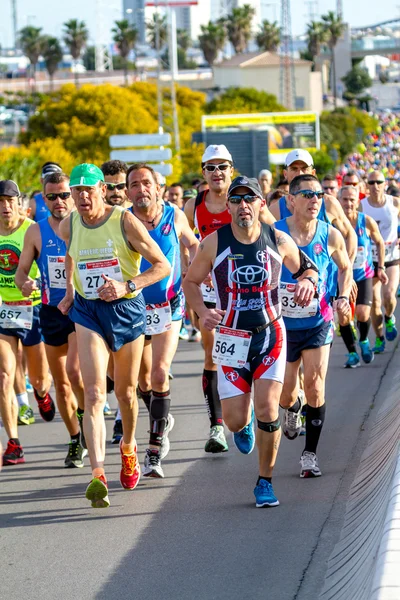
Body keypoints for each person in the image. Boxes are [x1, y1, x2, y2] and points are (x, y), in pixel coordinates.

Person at [183, 176, 316, 507]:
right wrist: (202, 310)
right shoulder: (213, 242)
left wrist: (308, 284)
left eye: (249, 199)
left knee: (268, 408)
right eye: (236, 200)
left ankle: (264, 482)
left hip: (270, 332)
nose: (243, 205)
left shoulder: (277, 238)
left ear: (260, 204)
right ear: (228, 207)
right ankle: (242, 427)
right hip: (231, 337)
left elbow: (308, 270)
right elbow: (191, 282)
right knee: (235, 420)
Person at [58, 163, 170, 508]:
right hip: (89, 311)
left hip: (126, 310)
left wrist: (126, 285)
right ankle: (97, 474)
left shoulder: (123, 220)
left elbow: (161, 265)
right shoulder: (70, 222)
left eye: (88, 190)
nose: (82, 196)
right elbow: (70, 256)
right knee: (93, 393)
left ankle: (129, 447)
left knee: (125, 393)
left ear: (103, 190)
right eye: (76, 191)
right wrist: (68, 291)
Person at [184, 145, 276, 454]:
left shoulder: (247, 199)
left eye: (222, 166)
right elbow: (186, 244)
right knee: (211, 353)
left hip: (250, 289)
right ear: (204, 173)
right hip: (212, 291)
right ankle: (218, 425)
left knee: (255, 350)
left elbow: (274, 242)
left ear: (231, 170)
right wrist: (196, 270)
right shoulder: (193, 205)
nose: (217, 172)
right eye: (210, 167)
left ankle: (247, 408)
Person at [275, 174, 352, 477]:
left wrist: (343, 296)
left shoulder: (329, 234)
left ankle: (310, 455)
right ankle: (293, 409)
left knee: (315, 385)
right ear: (291, 201)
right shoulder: (275, 233)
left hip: (319, 320)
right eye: (307, 195)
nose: (314, 200)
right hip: (282, 323)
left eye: (318, 194)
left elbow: (345, 267)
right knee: (286, 392)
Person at [127, 163, 199, 478]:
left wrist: (198, 270)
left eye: (146, 183)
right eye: (134, 184)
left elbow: (194, 244)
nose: (141, 189)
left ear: (158, 188)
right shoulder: (123, 221)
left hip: (169, 304)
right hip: (133, 307)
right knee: (142, 381)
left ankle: (154, 451)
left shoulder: (175, 215)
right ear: (127, 191)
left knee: (158, 374)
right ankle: (162, 418)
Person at [15, 171, 87, 468]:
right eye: (52, 196)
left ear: (72, 195)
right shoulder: (36, 231)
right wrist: (25, 283)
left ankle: (88, 418)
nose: (59, 201)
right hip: (51, 311)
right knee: (60, 382)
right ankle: (75, 438)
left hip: (82, 310)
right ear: (44, 200)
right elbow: (21, 272)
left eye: (64, 195)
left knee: (75, 372)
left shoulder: (88, 226)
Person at [0, 180, 55, 466]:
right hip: (3, 310)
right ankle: (14, 442)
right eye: (0, 202)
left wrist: (37, 283)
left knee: (39, 379)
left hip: (32, 309)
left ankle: (43, 395)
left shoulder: (31, 230)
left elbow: (51, 267)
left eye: (10, 201)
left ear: (19, 203)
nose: (5, 207)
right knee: (4, 376)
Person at [337, 185, 388, 367]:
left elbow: (380, 242)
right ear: (338, 201)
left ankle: (364, 340)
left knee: (362, 312)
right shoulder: (332, 224)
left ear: (357, 202)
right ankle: (352, 352)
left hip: (363, 274)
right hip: (340, 277)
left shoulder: (365, 221)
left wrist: (380, 267)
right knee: (343, 317)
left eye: (352, 200)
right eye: (345, 199)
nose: (348, 203)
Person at [361, 170, 400, 352]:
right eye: (371, 182)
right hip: (370, 260)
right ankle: (379, 337)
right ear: (367, 185)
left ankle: (390, 316)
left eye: (379, 182)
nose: (375, 186)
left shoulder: (394, 203)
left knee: (389, 295)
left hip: (392, 257)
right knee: (374, 304)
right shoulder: (362, 206)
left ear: (385, 184)